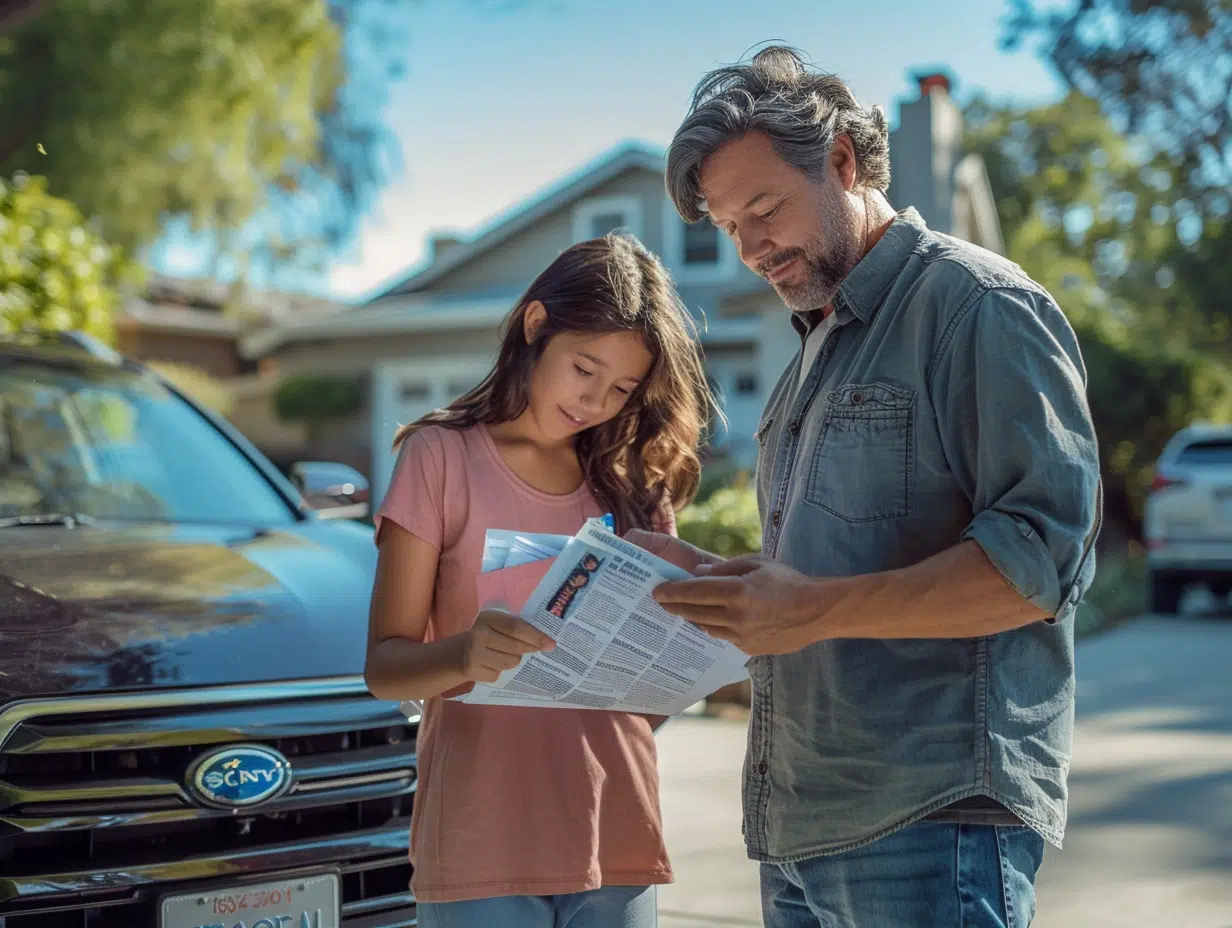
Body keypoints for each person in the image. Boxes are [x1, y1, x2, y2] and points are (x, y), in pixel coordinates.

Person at [629, 47, 1103, 928]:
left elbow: (1041, 562)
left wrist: (813, 609)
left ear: (844, 161)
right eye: (731, 229)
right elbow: (820, 573)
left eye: (765, 209)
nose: (751, 248)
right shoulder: (817, 342)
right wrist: (720, 579)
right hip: (802, 821)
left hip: (930, 821)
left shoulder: (979, 306)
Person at [364, 233, 713, 928]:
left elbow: (653, 690)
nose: (596, 402)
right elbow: (385, 667)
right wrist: (465, 654)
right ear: (535, 326)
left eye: (621, 389)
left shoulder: (635, 481)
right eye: (585, 369)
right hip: (479, 842)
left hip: (616, 835)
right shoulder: (439, 458)